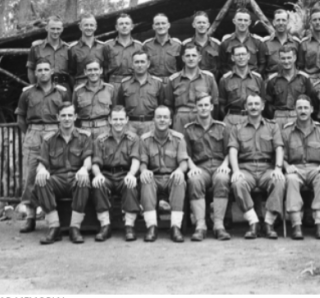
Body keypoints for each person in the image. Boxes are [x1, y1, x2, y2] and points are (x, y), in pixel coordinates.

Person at [16, 58, 70, 234]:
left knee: (57, 173)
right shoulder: (27, 93)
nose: (43, 73)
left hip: (56, 133)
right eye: (39, 70)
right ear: (35, 73)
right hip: (35, 133)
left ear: (52, 71)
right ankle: (31, 217)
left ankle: (59, 218)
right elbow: (21, 118)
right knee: (31, 176)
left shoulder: (62, 92)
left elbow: (67, 114)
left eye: (46, 69)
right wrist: (32, 134)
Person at [32, 102, 93, 245]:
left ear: (75, 117)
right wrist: (40, 170)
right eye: (63, 115)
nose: (67, 119)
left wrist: (84, 169)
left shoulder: (85, 137)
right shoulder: (49, 139)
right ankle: (54, 227)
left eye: (70, 115)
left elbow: (88, 161)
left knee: (83, 180)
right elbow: (42, 163)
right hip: (57, 179)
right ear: (58, 117)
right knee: (41, 181)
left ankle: (75, 227)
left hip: (75, 177)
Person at [228, 94, 285, 239]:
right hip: (246, 168)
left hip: (267, 168)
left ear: (262, 106)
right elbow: (233, 151)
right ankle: (253, 222)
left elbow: (279, 148)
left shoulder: (272, 127)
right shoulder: (237, 128)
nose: (253, 107)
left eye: (256, 104)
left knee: (279, 180)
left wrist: (278, 168)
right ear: (245, 107)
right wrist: (235, 171)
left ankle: (268, 223)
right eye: (250, 104)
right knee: (237, 182)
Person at [281, 95, 320, 240]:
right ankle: (296, 225)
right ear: (295, 110)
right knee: (290, 179)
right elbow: (282, 157)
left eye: (305, 108)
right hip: (295, 169)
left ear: (311, 109)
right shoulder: (287, 131)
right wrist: (286, 166)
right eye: (299, 108)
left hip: (315, 168)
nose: (303, 111)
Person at [184, 93, 232, 241]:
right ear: (196, 108)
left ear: (211, 107)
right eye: (200, 105)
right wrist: (192, 167)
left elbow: (230, 149)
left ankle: (219, 226)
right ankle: (200, 226)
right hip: (200, 167)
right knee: (194, 180)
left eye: (206, 105)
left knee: (222, 179)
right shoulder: (189, 129)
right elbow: (185, 153)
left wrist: (225, 164)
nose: (203, 108)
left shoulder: (222, 128)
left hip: (219, 166)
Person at [91, 106, 141, 242]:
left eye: (121, 119)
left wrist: (131, 174)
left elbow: (136, 160)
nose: (118, 122)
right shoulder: (100, 139)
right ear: (109, 120)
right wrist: (97, 175)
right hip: (106, 175)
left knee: (130, 184)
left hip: (125, 174)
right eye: (115, 119)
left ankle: (129, 225)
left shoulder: (134, 138)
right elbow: (95, 162)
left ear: (126, 120)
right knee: (98, 184)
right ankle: (105, 225)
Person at [139, 106, 189, 243]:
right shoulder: (145, 140)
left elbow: (184, 163)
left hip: (171, 178)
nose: (162, 120)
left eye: (165, 117)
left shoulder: (179, 139)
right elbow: (142, 162)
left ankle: (175, 227)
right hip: (154, 178)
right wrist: (144, 170)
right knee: (146, 180)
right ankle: (151, 226)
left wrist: (179, 171)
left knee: (180, 180)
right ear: (153, 120)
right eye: (159, 117)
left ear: (170, 121)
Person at [164, 43, 219, 133]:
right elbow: (169, 105)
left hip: (202, 117)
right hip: (180, 119)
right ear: (183, 58)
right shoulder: (173, 79)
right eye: (188, 56)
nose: (191, 58)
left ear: (199, 58)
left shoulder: (209, 78)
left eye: (194, 55)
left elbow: (215, 104)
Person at [114, 51, 166, 136]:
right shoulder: (124, 84)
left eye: (142, 62)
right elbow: (120, 106)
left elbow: (162, 105)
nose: (140, 65)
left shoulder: (157, 83)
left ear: (148, 64)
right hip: (130, 125)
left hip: (151, 124)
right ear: (132, 64)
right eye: (137, 62)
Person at [264, 44, 315, 128]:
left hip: (298, 116)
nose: (286, 61)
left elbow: (311, 100)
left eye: (289, 58)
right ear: (279, 59)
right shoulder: (273, 80)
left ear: (294, 58)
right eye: (283, 58)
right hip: (278, 117)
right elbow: (268, 104)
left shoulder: (304, 78)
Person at [218, 44, 265, 130]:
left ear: (248, 56)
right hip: (232, 120)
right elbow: (221, 106)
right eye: (238, 55)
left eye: (243, 54)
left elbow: (263, 102)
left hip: (253, 120)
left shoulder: (258, 79)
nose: (241, 57)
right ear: (232, 58)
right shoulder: (224, 80)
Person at [27, 15, 71, 94]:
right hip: (43, 87)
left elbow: (72, 71)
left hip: (64, 87)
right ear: (46, 28)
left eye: (58, 29)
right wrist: (34, 86)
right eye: (52, 28)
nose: (55, 31)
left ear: (62, 29)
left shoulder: (68, 48)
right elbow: (30, 69)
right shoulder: (36, 47)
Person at [72, 59, 114, 137]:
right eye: (90, 70)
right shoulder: (78, 91)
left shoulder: (110, 89)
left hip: (105, 130)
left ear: (101, 70)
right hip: (84, 130)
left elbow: (115, 112)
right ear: (85, 72)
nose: (93, 72)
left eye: (95, 69)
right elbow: (73, 113)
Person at [218, 8, 266, 76]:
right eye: (240, 20)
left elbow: (262, 64)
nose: (243, 23)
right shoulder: (226, 42)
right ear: (234, 21)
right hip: (232, 81)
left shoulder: (258, 42)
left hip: (252, 81)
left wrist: (255, 77)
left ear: (249, 22)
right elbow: (221, 65)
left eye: (245, 20)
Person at [103, 14, 144, 90]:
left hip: (133, 82)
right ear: (116, 27)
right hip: (114, 84)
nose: (124, 26)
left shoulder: (139, 46)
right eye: (121, 24)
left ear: (132, 26)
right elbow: (104, 68)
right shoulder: (108, 46)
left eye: (127, 23)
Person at [68, 13, 106, 88]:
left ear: (95, 27)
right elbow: (70, 73)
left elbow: (107, 69)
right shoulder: (73, 48)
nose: (89, 28)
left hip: (100, 86)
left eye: (91, 25)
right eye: (86, 25)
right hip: (81, 86)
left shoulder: (103, 46)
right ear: (80, 27)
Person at [261, 9, 301, 78]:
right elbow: (261, 67)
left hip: (291, 80)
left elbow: (300, 65)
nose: (281, 23)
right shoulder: (266, 43)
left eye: (283, 20)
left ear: (287, 22)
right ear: (274, 22)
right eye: (278, 20)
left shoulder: (296, 43)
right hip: (271, 80)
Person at [182, 11, 221, 77]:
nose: (202, 25)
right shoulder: (185, 44)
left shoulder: (217, 44)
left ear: (208, 25)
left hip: (211, 83)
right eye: (199, 22)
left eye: (204, 22)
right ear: (193, 25)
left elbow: (220, 66)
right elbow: (181, 66)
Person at [143, 13, 182, 78]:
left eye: (163, 23)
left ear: (168, 25)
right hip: (151, 82)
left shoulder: (177, 45)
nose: (160, 26)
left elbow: (184, 67)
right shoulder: (146, 45)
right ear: (153, 27)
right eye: (157, 24)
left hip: (172, 82)